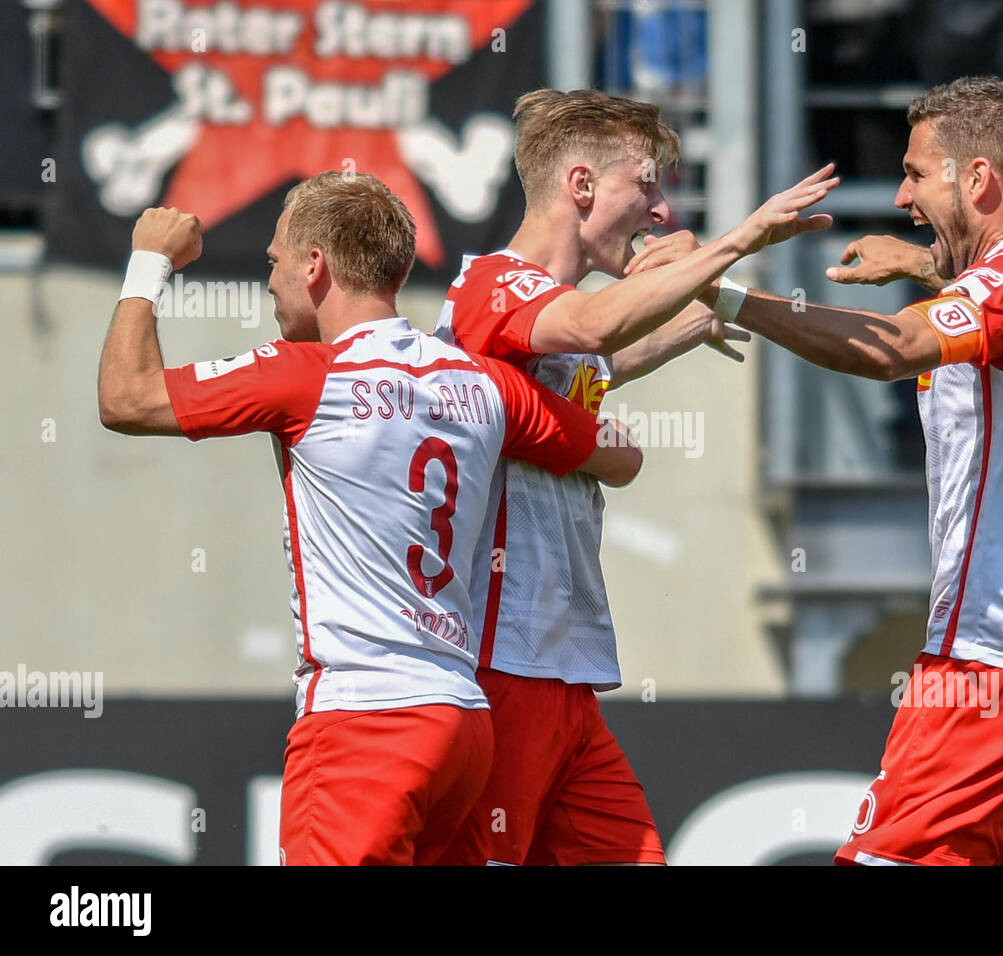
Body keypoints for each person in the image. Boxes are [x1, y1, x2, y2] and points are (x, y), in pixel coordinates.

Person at [95, 171, 643, 865]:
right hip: (463, 723)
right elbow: (618, 458)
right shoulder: (483, 383)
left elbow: (124, 399)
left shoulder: (305, 374)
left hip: (365, 715)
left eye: (274, 262)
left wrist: (150, 262)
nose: (269, 283)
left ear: (315, 266)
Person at [663, 76, 1003, 865]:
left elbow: (892, 349)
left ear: (977, 179)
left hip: (997, 651)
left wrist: (721, 291)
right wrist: (926, 266)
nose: (904, 194)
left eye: (917, 174)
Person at [436, 88, 837, 866]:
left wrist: (700, 314)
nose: (660, 212)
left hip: (563, 671)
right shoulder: (494, 282)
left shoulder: (548, 315)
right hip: (500, 659)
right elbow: (591, 329)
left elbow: (588, 361)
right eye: (645, 185)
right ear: (580, 186)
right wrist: (741, 238)